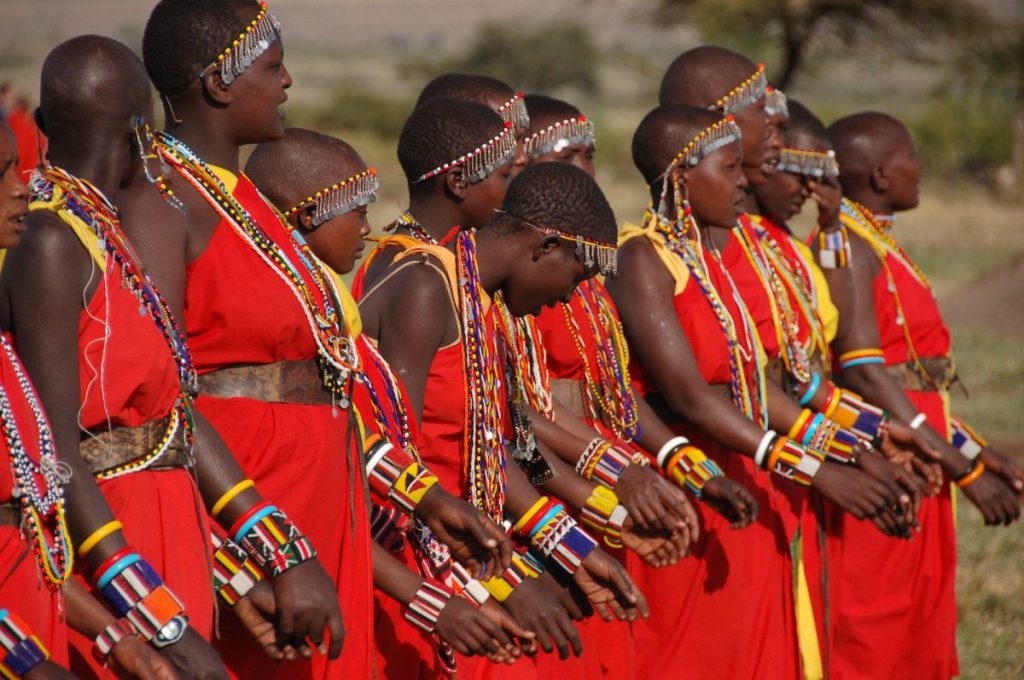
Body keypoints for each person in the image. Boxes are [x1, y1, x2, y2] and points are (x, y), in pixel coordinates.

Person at [608, 103, 914, 679]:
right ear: (681, 177)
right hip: (688, 483)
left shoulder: (715, 261)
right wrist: (818, 471)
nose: (745, 180)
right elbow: (692, 395)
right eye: (730, 169)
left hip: (746, 469)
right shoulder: (642, 258)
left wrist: (852, 447)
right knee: (687, 656)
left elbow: (759, 384)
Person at [122, 1, 369, 675]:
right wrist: (249, 560)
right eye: (274, 67)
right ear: (220, 84)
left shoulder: (242, 194)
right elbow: (162, 395)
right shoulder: (163, 199)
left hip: (312, 478)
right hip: (247, 482)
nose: (287, 83)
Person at [245, 127, 531, 677]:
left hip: (407, 543)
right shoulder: (417, 281)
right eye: (354, 211)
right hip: (354, 548)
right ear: (310, 216)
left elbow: (374, 440)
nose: (366, 227)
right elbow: (344, 471)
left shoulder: (331, 305)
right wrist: (435, 590)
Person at [826, 110, 1023, 680]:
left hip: (924, 442)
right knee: (873, 620)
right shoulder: (844, 246)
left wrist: (973, 447)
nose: (922, 167)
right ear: (882, 174)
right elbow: (864, 374)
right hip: (890, 457)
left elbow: (911, 379)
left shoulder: (873, 240)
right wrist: (961, 467)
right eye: (911, 154)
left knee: (920, 614)